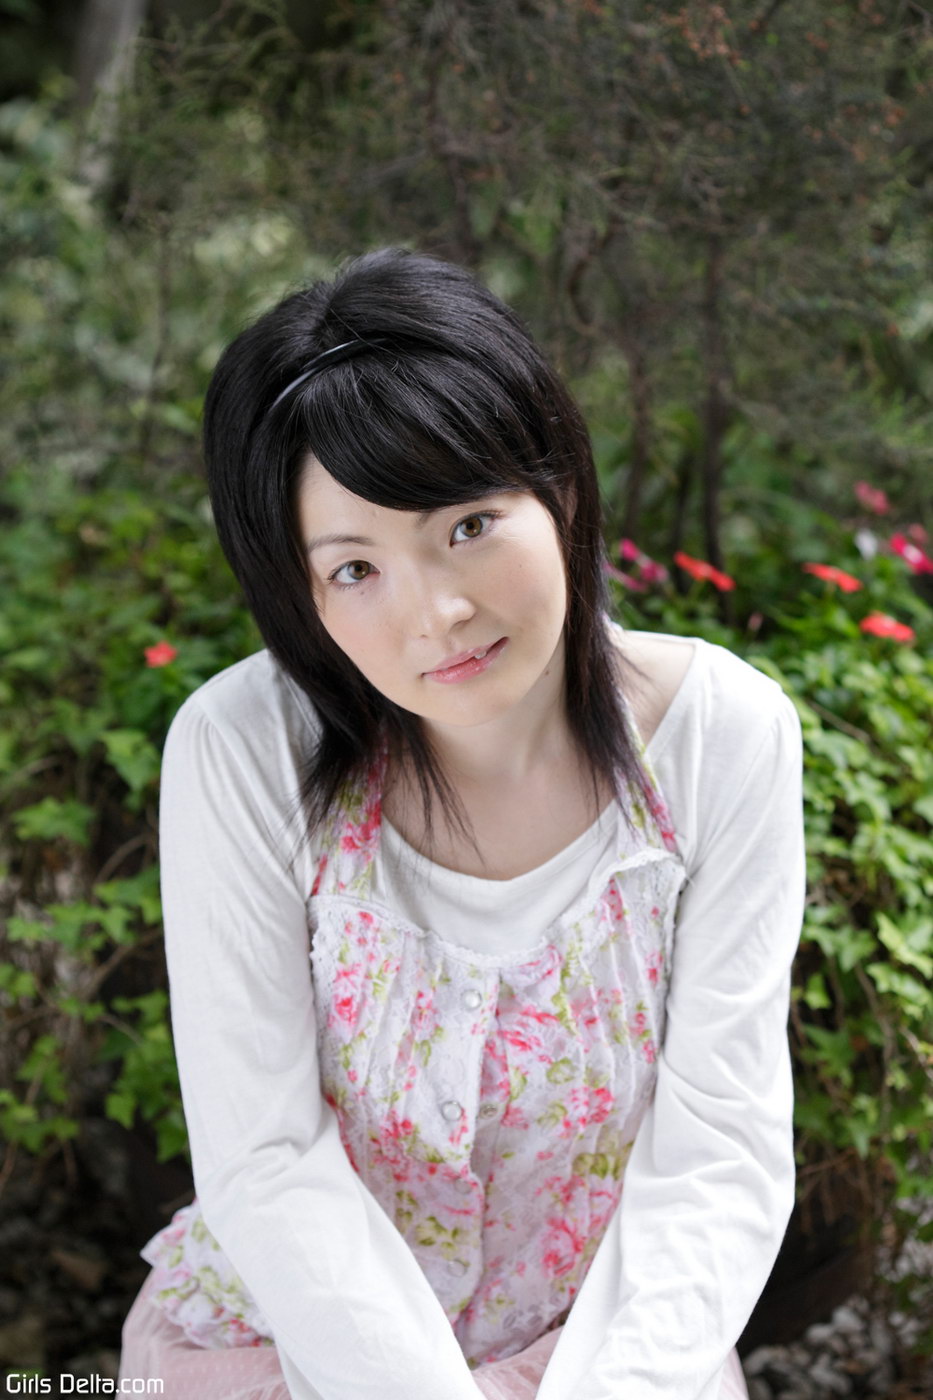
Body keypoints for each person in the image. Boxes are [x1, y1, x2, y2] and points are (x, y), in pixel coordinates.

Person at [118, 248, 806, 1400]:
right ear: (297, 592)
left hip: (612, 1353)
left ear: (561, 487)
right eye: (353, 569)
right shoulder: (244, 747)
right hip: (295, 1350)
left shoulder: (720, 737)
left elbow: (719, 1149)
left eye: (470, 523)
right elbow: (265, 1153)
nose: (437, 611)